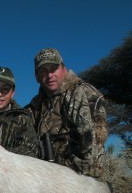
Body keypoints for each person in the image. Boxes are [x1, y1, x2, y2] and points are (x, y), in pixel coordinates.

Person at [25, 48, 108, 178]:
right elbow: (17, 124)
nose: (50, 75)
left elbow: (91, 154)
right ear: (37, 76)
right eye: (43, 71)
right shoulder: (37, 103)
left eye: (54, 69)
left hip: (79, 180)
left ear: (64, 69)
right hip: (47, 176)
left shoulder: (83, 93)